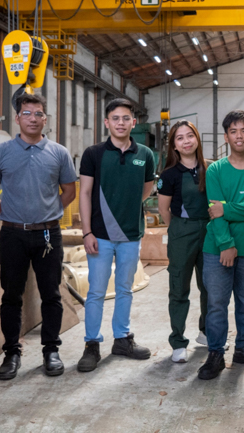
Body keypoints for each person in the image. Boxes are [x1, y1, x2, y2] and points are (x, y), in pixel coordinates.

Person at [0, 93, 76, 379]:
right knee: (11, 295)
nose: (33, 118)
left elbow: (69, 190)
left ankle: (51, 350)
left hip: (48, 234)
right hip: (12, 235)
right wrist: (6, 214)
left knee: (51, 294)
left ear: (45, 119)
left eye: (38, 113)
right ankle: (11, 352)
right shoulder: (2, 152)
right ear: (18, 117)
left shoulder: (58, 152)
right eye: (27, 113)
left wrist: (50, 211)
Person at [76, 98, 155, 372]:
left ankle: (121, 339)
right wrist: (86, 231)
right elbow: (84, 194)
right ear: (107, 122)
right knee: (96, 292)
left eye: (126, 118)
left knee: (125, 289)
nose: (121, 123)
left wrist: (129, 207)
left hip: (131, 235)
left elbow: (147, 187)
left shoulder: (145, 154)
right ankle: (91, 344)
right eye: (115, 118)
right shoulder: (94, 153)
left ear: (134, 122)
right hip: (99, 235)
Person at [197, 110, 244, 380]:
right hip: (217, 249)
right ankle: (215, 352)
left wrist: (227, 208)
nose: (239, 136)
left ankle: (243, 348)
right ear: (226, 137)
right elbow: (213, 211)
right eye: (233, 132)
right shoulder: (215, 170)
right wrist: (226, 244)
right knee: (216, 303)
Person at [158, 120, 211, 363]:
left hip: (210, 231)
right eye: (180, 138)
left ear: (197, 138)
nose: (186, 141)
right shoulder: (169, 174)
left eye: (190, 135)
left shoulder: (210, 169)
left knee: (209, 286)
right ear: (174, 146)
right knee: (179, 288)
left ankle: (206, 332)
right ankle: (178, 341)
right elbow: (164, 209)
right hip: (182, 231)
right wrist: (180, 229)